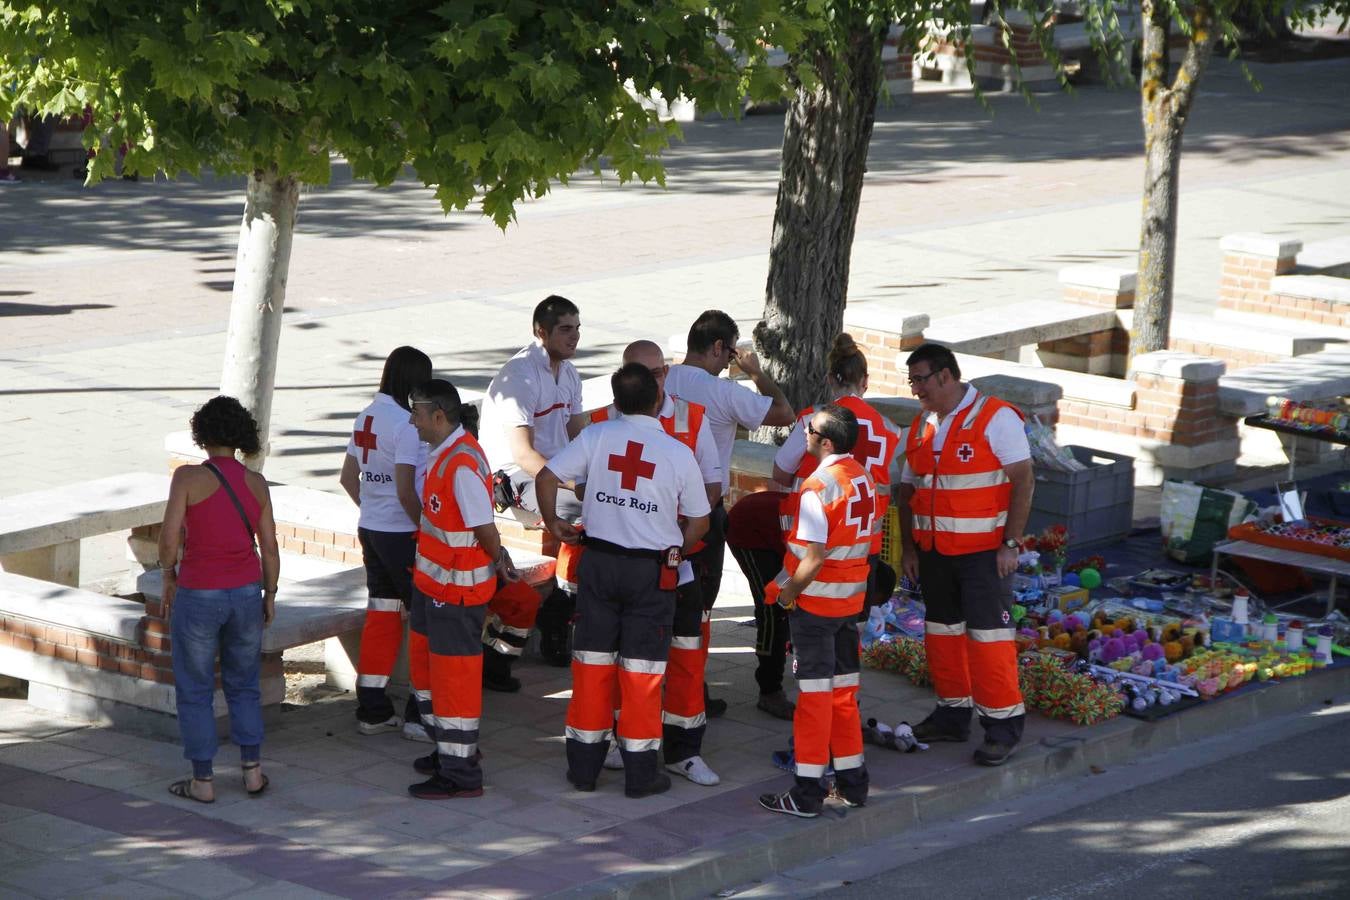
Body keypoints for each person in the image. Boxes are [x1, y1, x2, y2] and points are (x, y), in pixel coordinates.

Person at [537, 363, 710, 798]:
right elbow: (700, 521)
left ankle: (583, 770)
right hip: (650, 574)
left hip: (598, 565)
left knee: (592, 666)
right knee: (642, 672)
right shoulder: (676, 452)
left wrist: (553, 522)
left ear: (615, 402)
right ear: (657, 400)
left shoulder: (597, 436)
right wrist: (676, 550)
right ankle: (640, 774)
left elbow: (546, 477)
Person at [587, 341, 723, 786]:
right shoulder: (602, 421)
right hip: (627, 563)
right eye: (641, 372)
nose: (652, 381)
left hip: (682, 561)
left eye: (658, 372)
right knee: (616, 659)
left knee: (687, 653)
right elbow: (585, 485)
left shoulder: (692, 417)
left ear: (666, 371)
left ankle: (684, 751)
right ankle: (618, 741)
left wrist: (675, 541)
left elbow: (712, 487)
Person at [897, 343, 1034, 767]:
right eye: (911, 381)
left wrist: (1010, 544)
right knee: (942, 636)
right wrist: (909, 548)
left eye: (920, 379)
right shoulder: (922, 424)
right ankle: (952, 716)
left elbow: (1024, 481)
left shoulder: (996, 418)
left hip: (983, 555)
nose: (915, 389)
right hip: (935, 553)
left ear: (945, 376)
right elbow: (907, 489)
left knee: (989, 641)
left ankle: (1002, 728)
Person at [664, 310, 794, 714]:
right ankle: (690, 693)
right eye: (730, 354)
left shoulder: (661, 379)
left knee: (659, 598)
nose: (727, 364)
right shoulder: (722, 392)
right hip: (703, 511)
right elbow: (784, 412)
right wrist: (755, 372)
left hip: (656, 507)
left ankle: (671, 686)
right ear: (720, 347)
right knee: (699, 605)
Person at [160, 396, 279, 804]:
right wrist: (270, 594)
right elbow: (270, 548)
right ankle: (252, 772)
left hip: (198, 593)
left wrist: (168, 574)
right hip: (246, 592)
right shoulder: (256, 483)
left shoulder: (187, 478)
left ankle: (203, 780)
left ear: (202, 434)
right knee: (244, 684)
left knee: (195, 687)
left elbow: (169, 538)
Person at [405, 379, 519, 800]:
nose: (412, 422)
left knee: (454, 683)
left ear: (438, 416)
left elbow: (483, 528)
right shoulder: (446, 453)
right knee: (430, 675)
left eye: (417, 413)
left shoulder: (461, 464)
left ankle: (461, 772)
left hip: (456, 594)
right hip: (434, 587)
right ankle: (447, 751)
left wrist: (500, 557)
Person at [758, 403, 875, 818]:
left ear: (825, 443)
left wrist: (786, 595)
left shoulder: (817, 486)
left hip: (816, 608)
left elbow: (813, 558)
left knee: (814, 700)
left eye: (811, 429)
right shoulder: (862, 476)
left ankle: (806, 794)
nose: (805, 432)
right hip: (848, 606)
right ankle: (853, 785)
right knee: (843, 696)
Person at [479, 295, 587, 685]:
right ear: (541, 331)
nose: (575, 337)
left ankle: (564, 607)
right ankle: (561, 609)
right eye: (565, 329)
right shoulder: (519, 376)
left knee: (607, 503)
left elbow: (579, 438)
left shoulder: (569, 374)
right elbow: (523, 455)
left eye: (577, 328)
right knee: (584, 511)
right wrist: (575, 483)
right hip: (515, 478)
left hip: (553, 473)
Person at [339, 345, 432, 739]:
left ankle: (372, 710)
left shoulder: (366, 416)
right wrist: (425, 529)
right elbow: (407, 490)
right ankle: (418, 715)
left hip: (371, 530)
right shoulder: (406, 424)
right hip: (403, 534)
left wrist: (374, 511)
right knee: (425, 619)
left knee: (382, 613)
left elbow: (347, 478)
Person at [773, 332, 903, 614]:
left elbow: (781, 471)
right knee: (853, 622)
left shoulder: (815, 420)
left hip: (814, 542)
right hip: (862, 545)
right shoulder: (889, 429)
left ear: (830, 378)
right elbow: (890, 484)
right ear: (866, 380)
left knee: (811, 619)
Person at [725, 489, 793, 720]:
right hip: (748, 530)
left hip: (773, 529)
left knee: (787, 606)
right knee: (772, 609)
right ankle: (770, 689)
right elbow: (801, 565)